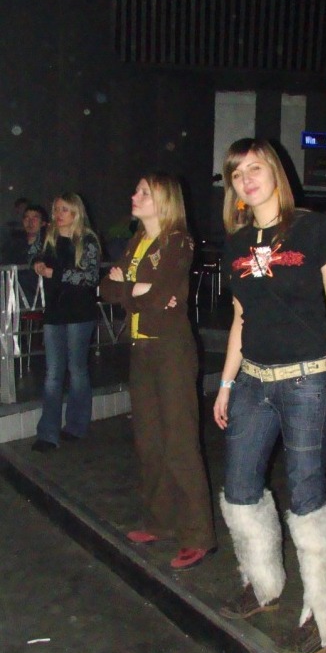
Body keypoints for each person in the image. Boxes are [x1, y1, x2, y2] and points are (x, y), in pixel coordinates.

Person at [213, 138, 326, 653]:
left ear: (276, 172)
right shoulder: (235, 243)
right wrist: (226, 383)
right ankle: (262, 583)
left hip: (308, 380)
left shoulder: (314, 229)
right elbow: (241, 318)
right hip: (252, 381)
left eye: (255, 168)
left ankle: (325, 617)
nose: (247, 179)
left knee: (307, 496)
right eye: (237, 173)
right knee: (239, 489)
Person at [100, 173, 216, 570]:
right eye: (136, 190)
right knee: (148, 440)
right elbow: (105, 289)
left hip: (171, 350)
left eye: (144, 192)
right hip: (141, 348)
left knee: (179, 442)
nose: (134, 196)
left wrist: (130, 287)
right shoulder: (137, 241)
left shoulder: (178, 241)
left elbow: (162, 294)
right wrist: (138, 289)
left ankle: (198, 535)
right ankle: (160, 521)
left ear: (164, 200)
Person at [30, 194, 101, 451]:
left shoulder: (88, 240)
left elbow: (90, 276)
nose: (58, 214)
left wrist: (56, 273)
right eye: (56, 209)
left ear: (75, 212)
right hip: (55, 311)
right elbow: (33, 254)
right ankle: (47, 433)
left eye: (64, 210)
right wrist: (37, 263)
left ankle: (76, 425)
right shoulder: (48, 236)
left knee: (77, 369)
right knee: (53, 373)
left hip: (79, 312)